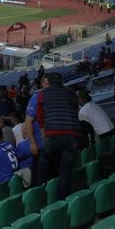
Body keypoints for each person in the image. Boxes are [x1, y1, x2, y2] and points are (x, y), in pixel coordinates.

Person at [32, 72, 82, 202]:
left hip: (53, 134)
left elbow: (41, 119)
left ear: (49, 81)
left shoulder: (43, 94)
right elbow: (75, 112)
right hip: (72, 135)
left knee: (43, 162)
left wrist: (45, 137)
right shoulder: (71, 94)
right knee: (65, 172)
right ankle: (61, 202)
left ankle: (39, 195)